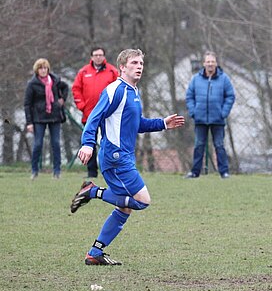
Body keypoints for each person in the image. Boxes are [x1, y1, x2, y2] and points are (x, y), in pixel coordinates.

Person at [69, 48, 185, 265]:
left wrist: (162, 123)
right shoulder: (115, 90)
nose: (139, 66)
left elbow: (137, 123)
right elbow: (94, 117)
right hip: (115, 157)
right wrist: (87, 144)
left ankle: (94, 253)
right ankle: (92, 191)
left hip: (124, 156)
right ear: (122, 67)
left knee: (125, 206)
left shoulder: (133, 91)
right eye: (134, 63)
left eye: (141, 63)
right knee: (142, 201)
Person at [184, 51, 236, 179]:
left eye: (212, 62)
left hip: (217, 119)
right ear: (204, 63)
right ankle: (195, 172)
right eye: (208, 62)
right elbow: (189, 96)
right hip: (200, 119)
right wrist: (193, 111)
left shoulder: (224, 79)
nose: (210, 64)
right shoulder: (196, 79)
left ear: (216, 63)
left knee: (219, 145)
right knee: (198, 145)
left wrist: (223, 112)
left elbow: (230, 96)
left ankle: (224, 172)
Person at [72, 46, 120, 179]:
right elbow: (76, 89)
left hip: (107, 115)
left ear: (104, 56)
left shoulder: (112, 71)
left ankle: (110, 170)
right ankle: (91, 172)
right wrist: (81, 105)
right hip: (89, 114)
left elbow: (119, 89)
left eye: (100, 55)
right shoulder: (83, 72)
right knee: (89, 142)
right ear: (91, 57)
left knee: (109, 142)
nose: (98, 57)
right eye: (95, 55)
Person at [24, 58, 69, 179]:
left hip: (55, 116)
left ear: (48, 69)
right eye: (41, 68)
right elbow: (27, 104)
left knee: (55, 143)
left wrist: (62, 100)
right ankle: (34, 171)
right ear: (37, 70)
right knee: (38, 144)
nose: (43, 70)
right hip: (39, 118)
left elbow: (66, 87)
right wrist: (29, 122)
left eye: (45, 68)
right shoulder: (32, 84)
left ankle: (57, 171)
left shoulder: (55, 80)